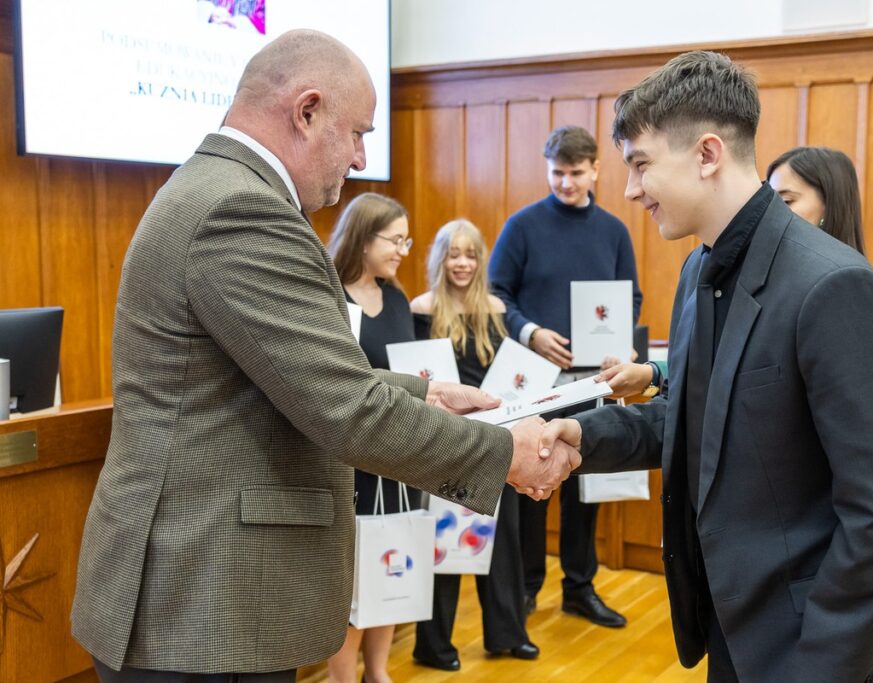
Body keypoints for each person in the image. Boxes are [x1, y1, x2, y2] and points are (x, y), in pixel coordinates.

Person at [72, 30, 579, 683]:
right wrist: (505, 452)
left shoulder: (220, 189)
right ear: (306, 111)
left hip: (202, 598)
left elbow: (289, 374)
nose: (363, 157)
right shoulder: (242, 210)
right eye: (359, 132)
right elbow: (346, 410)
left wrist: (427, 393)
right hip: (200, 603)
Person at [540, 51, 873, 681]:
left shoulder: (837, 287)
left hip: (828, 650)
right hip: (739, 630)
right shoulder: (698, 270)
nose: (631, 189)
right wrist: (578, 435)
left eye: (640, 164)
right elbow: (692, 420)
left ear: (707, 154)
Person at [489, 125, 642, 628]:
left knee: (586, 480)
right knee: (532, 483)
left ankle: (579, 586)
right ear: (547, 167)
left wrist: (619, 351)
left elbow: (630, 299)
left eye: (576, 173)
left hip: (593, 380)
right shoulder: (522, 226)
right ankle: (529, 586)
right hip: (534, 377)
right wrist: (531, 332)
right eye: (557, 172)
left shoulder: (615, 231)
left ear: (596, 169)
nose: (566, 183)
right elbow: (496, 296)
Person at [601, 145, 869, 400]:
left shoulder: (849, 291)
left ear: (830, 206)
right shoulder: (708, 269)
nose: (773, 215)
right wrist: (653, 376)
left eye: (785, 201)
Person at [409, 220, 538, 671]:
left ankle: (508, 633)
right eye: (453, 254)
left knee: (504, 538)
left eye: (470, 255)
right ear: (439, 259)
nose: (461, 263)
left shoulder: (496, 308)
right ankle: (434, 645)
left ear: (480, 261)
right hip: (442, 441)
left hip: (495, 436)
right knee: (443, 542)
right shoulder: (420, 308)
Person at [323, 192, 418, 683]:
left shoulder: (397, 296)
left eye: (407, 239)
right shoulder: (330, 298)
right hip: (351, 459)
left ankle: (378, 673)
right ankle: (343, 677)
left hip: (399, 457)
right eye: (395, 239)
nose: (404, 249)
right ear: (363, 238)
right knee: (354, 579)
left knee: (390, 567)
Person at [766, 146, 866, 254]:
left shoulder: (849, 270)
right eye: (770, 201)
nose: (771, 211)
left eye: (786, 201)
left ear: (828, 204)